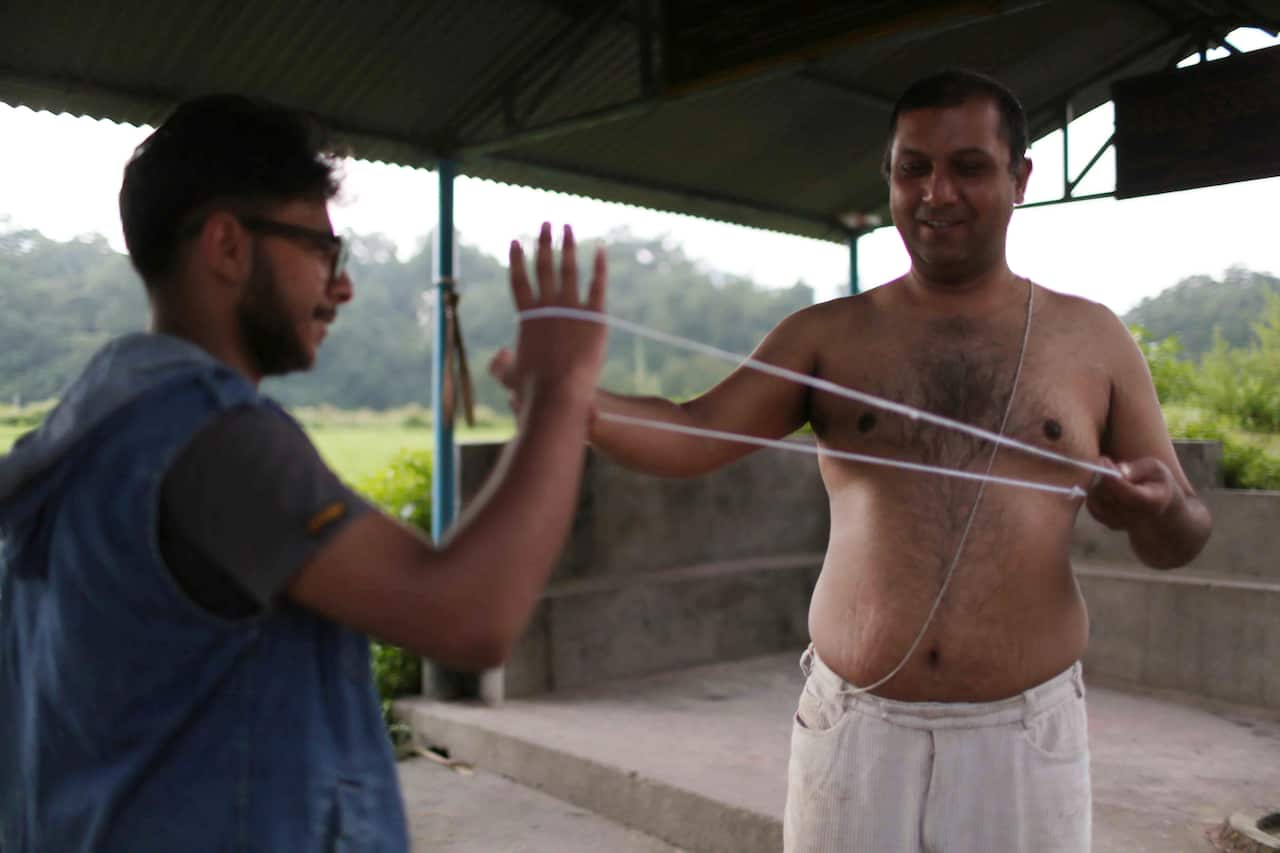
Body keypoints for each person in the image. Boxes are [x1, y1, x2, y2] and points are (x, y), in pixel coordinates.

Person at [491, 69, 1212, 852]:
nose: (937, 192)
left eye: (968, 166)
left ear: (1021, 178)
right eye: (913, 168)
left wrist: (1162, 508)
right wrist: (574, 403)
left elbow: (1182, 534)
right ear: (891, 178)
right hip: (857, 729)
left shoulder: (1092, 339)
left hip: (1023, 739)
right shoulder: (826, 335)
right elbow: (695, 432)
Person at [0, 94, 607, 851]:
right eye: (322, 250)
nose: (342, 285)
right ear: (226, 246)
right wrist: (560, 393)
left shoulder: (87, 433)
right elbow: (468, 616)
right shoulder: (216, 442)